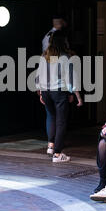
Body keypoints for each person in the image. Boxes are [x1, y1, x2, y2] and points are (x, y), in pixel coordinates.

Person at [36, 30, 83, 163]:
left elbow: (38, 76)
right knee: (61, 121)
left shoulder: (44, 56)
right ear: (63, 42)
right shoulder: (65, 58)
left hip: (45, 91)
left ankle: (50, 146)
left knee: (50, 116)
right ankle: (57, 154)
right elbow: (70, 79)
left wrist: (40, 91)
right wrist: (77, 95)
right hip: (58, 91)